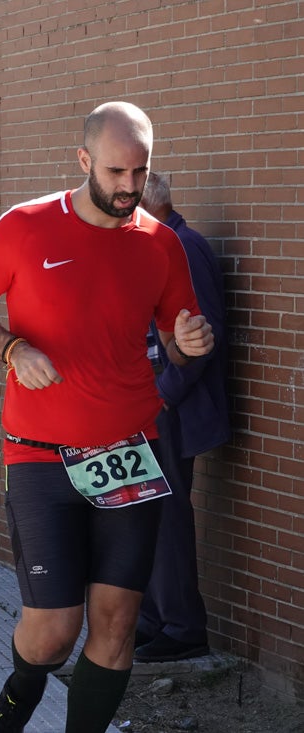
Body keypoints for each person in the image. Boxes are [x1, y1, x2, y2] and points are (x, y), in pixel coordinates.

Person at [0, 101, 214, 733]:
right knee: (52, 632)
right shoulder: (26, 226)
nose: (129, 188)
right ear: (85, 160)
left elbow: (175, 338)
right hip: (40, 454)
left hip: (128, 453)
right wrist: (13, 348)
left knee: (117, 623)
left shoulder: (161, 243)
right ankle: (19, 691)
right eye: (117, 172)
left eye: (140, 173)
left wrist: (188, 341)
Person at [134, 172, 230, 663]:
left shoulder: (182, 247)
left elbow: (202, 334)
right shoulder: (159, 245)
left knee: (168, 518)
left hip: (172, 410)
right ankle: (152, 620)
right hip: (152, 407)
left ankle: (183, 627)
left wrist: (164, 396)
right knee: (148, 514)